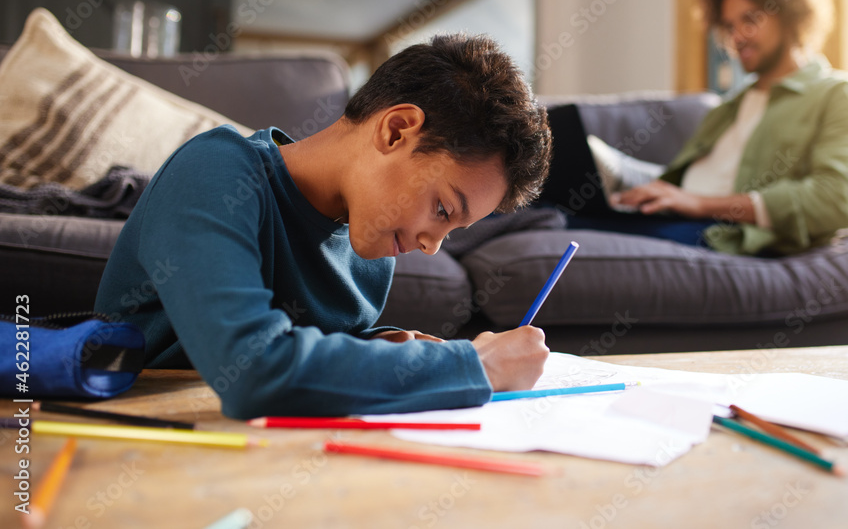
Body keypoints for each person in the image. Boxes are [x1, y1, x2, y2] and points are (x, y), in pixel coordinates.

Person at [94, 34, 553, 419]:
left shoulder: (369, 249)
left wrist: (379, 344)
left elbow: (310, 350)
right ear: (395, 131)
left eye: (453, 230)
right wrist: (475, 364)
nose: (433, 245)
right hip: (144, 433)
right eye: (442, 209)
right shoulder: (214, 172)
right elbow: (254, 372)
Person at [604, 0, 848, 256]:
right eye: (729, 27)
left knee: (562, 224)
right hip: (673, 217)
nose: (737, 37)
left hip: (719, 234)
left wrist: (699, 205)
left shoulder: (841, 97)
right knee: (555, 206)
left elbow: (839, 199)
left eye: (750, 20)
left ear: (790, 13)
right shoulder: (726, 110)